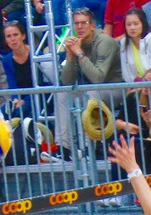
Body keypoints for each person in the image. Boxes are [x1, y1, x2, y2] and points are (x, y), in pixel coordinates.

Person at [57, 7, 124, 155]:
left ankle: (89, 147)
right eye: (76, 24)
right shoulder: (77, 43)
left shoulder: (105, 41)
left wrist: (80, 54)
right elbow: (67, 82)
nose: (80, 27)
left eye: (84, 23)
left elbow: (98, 78)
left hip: (115, 88)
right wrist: (70, 56)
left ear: (93, 25)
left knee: (91, 93)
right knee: (62, 94)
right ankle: (63, 148)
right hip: (93, 89)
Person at [119, 7, 151, 81]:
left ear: (143, 24)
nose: (132, 28)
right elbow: (126, 73)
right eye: (128, 25)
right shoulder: (124, 43)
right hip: (135, 87)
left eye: (136, 24)